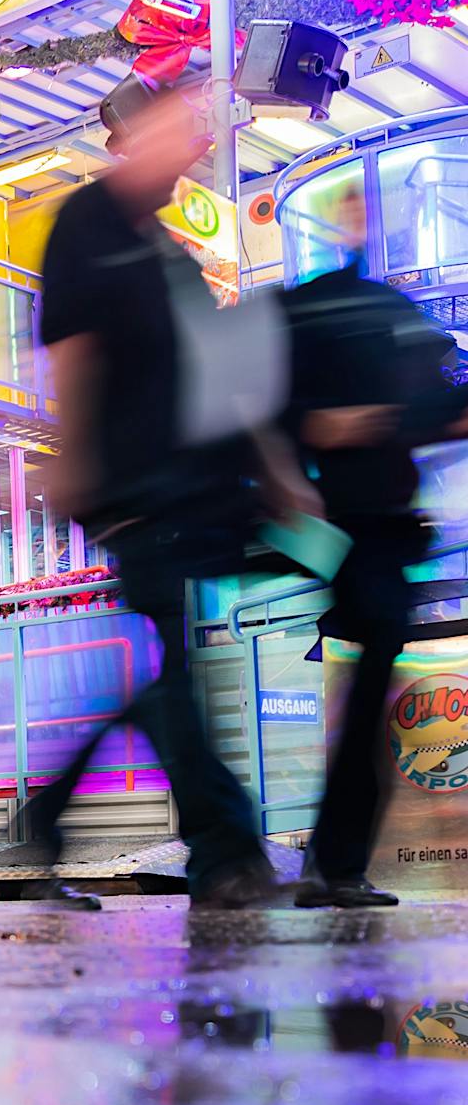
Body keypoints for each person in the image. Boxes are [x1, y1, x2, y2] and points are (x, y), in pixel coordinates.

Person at [24, 81, 295, 909]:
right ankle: (226, 851)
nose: (197, 148)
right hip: (126, 485)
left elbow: (219, 373)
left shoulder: (169, 252)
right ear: (131, 138)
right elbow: (74, 348)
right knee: (172, 674)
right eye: (185, 132)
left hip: (182, 491)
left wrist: (273, 473)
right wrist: (74, 461)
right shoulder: (87, 224)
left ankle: (47, 818)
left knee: (166, 678)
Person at [281, 182, 468, 908]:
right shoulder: (322, 309)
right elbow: (273, 406)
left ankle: (334, 863)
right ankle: (333, 864)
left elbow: (438, 403)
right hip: (345, 524)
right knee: (365, 688)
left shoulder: (386, 310)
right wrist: (325, 426)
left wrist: (379, 420)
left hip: (376, 524)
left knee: (366, 690)